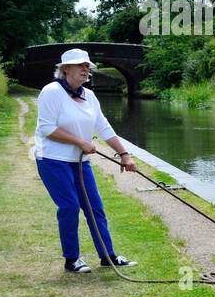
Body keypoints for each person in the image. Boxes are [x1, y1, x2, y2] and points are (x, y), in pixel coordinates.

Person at [34, 48, 138, 273]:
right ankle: (72, 259)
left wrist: (124, 155)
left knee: (95, 207)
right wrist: (80, 142)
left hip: (79, 162)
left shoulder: (88, 95)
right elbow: (47, 128)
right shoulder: (51, 92)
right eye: (80, 65)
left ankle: (108, 256)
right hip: (52, 159)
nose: (85, 69)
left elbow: (103, 127)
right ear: (65, 69)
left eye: (87, 66)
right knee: (69, 206)